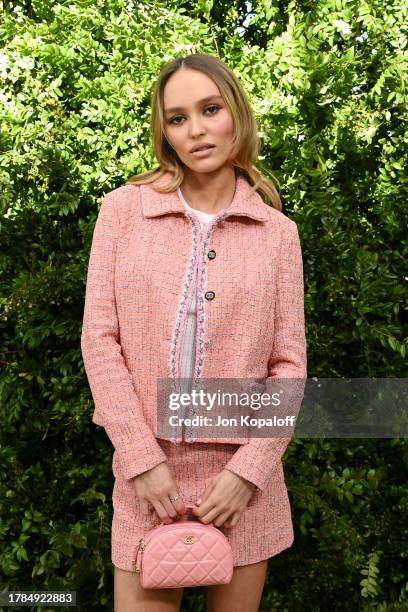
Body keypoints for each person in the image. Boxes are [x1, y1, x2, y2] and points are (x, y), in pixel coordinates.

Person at [81, 53, 307, 612]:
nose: (197, 129)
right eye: (177, 118)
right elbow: (100, 342)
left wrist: (247, 473)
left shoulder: (278, 234)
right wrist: (141, 460)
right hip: (145, 483)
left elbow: (289, 367)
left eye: (210, 109)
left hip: (243, 488)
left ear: (237, 114)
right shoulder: (122, 212)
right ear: (165, 134)